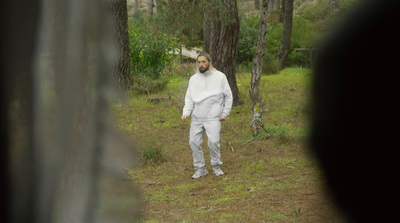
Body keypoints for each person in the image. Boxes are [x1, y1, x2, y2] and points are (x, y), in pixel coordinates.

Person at [182, 52, 233, 179]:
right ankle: (200, 168)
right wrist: (186, 113)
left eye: (204, 62)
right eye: (199, 62)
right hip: (197, 117)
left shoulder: (220, 76)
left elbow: (228, 96)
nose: (201, 64)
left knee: (214, 142)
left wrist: (225, 113)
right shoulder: (194, 79)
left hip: (213, 116)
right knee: (193, 142)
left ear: (209, 62)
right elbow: (189, 98)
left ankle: (216, 166)